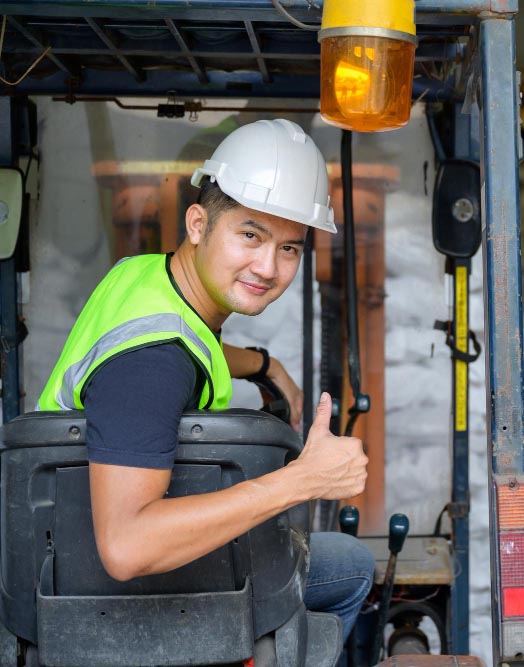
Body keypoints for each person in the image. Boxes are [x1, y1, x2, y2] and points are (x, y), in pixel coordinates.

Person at [36, 118, 374, 638]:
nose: (268, 267)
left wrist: (265, 366)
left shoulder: (145, 276)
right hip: (101, 597)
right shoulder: (149, 366)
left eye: (289, 248)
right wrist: (301, 481)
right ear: (198, 224)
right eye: (250, 235)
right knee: (350, 565)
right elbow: (127, 548)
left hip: (59, 553)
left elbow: (190, 342)